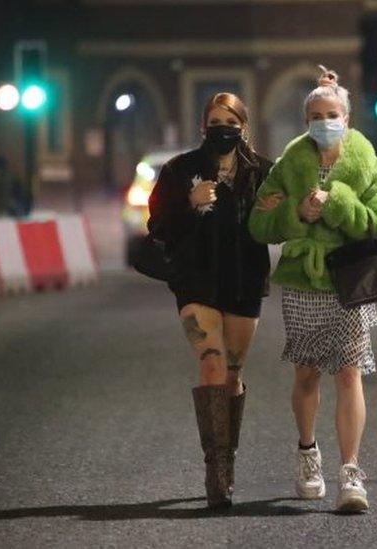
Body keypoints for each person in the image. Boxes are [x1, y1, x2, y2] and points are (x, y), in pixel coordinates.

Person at [248, 67, 377, 513]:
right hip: (303, 283)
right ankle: (308, 453)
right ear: (305, 119)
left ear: (346, 118)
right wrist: (297, 212)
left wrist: (339, 203)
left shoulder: (368, 164)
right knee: (306, 372)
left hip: (348, 280)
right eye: (315, 114)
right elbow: (259, 222)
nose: (324, 121)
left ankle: (351, 471)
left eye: (332, 113)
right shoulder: (290, 163)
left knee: (349, 372)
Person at [147, 92, 273, 508]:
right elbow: (158, 225)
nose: (223, 129)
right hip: (195, 283)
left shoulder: (263, 172)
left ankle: (228, 459)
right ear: (203, 127)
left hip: (243, 283)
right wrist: (189, 202)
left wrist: (285, 210)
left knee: (233, 373)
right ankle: (215, 470)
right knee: (212, 361)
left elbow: (279, 227)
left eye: (230, 121)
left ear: (243, 127)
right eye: (215, 121)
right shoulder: (180, 170)